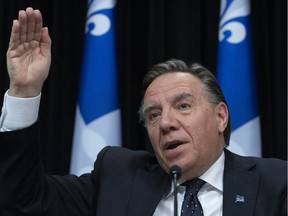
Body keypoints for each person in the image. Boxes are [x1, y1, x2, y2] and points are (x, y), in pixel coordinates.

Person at [0, 7, 286, 216]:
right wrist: (24, 92)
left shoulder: (276, 183)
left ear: (220, 116)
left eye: (183, 106)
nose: (166, 123)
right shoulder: (117, 177)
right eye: (153, 115)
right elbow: (24, 201)